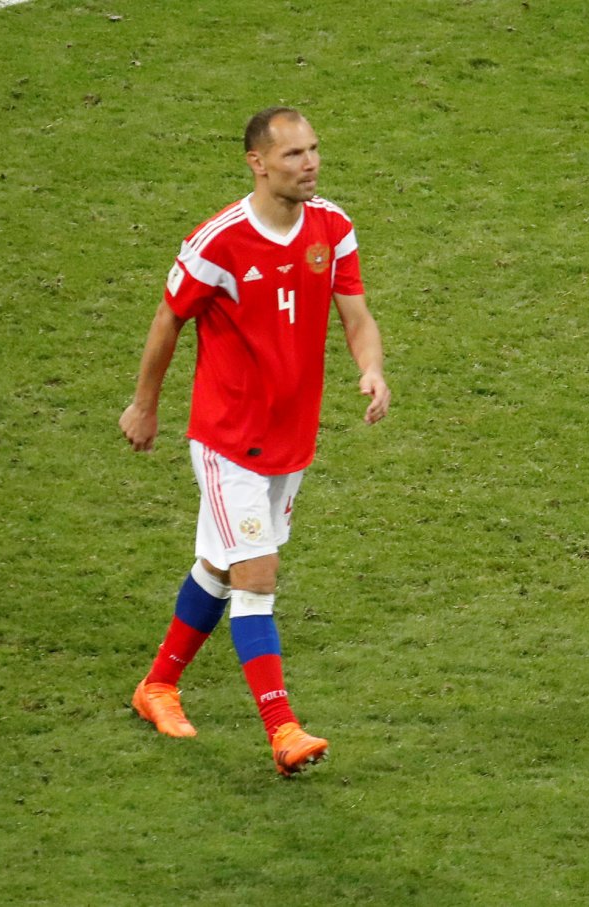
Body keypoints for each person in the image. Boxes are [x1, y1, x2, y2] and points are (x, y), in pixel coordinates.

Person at [119, 107, 390, 777]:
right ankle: (282, 729)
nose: (311, 163)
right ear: (258, 163)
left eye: (314, 149)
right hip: (228, 440)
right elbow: (168, 320)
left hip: (290, 439)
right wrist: (145, 406)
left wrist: (372, 368)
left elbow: (356, 315)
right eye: (294, 154)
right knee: (257, 573)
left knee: (219, 566)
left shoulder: (333, 227)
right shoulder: (218, 243)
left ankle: (158, 686)